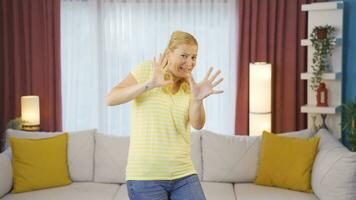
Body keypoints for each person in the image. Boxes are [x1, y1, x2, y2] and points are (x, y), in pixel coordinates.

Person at [106, 31, 224, 200]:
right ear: (169, 53)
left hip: (183, 173)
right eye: (184, 55)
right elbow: (111, 98)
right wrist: (149, 84)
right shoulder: (148, 70)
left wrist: (197, 100)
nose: (190, 63)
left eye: (193, 57)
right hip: (145, 176)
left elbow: (198, 124)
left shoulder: (190, 86)